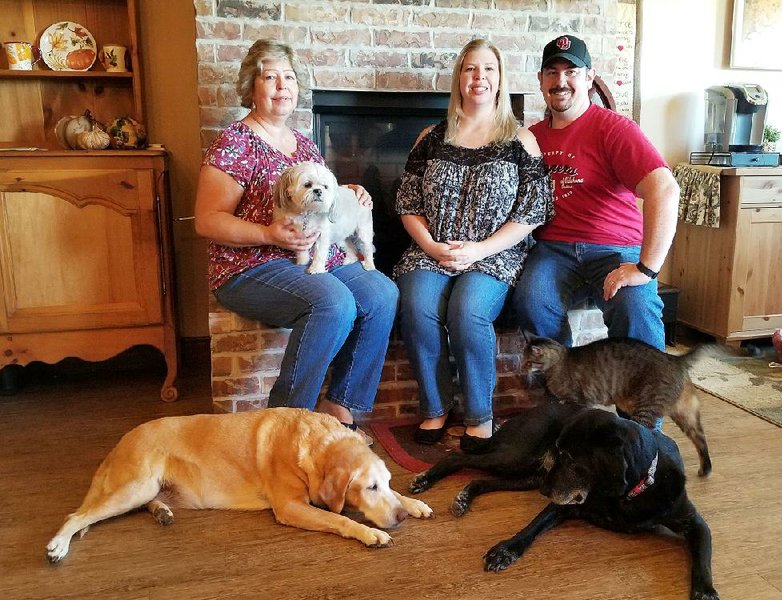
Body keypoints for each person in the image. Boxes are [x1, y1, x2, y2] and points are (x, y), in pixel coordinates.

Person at [194, 40, 398, 439]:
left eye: (288, 77)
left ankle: (338, 408)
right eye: (270, 77)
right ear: (251, 86)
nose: (281, 85)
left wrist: (350, 191)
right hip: (250, 264)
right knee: (333, 303)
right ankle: (283, 426)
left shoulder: (303, 142)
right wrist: (268, 234)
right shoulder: (235, 142)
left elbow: (319, 195)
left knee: (381, 293)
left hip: (312, 255)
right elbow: (206, 220)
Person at [393, 39, 554, 451]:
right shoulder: (430, 137)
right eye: (470, 69)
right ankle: (436, 408)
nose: (479, 77)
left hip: (494, 254)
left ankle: (480, 417)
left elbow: (532, 212)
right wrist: (431, 246)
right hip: (433, 248)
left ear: (500, 80)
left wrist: (479, 250)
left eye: (488, 69)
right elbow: (408, 202)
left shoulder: (521, 140)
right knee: (415, 303)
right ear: (459, 79)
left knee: (467, 310)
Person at [513, 34, 680, 352]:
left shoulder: (615, 129)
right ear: (540, 80)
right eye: (552, 72)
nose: (560, 81)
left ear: (589, 78)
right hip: (554, 251)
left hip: (616, 249)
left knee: (636, 309)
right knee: (531, 300)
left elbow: (664, 189)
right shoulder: (531, 138)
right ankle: (564, 393)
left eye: (571, 71)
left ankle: (646, 401)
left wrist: (646, 268)